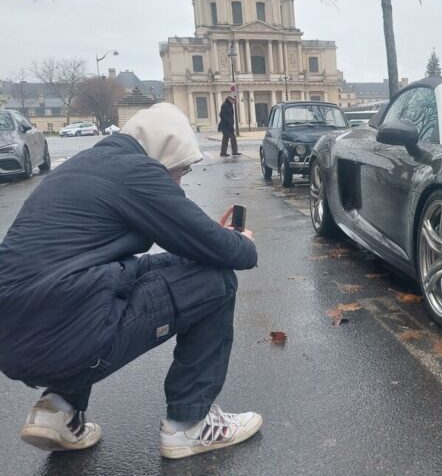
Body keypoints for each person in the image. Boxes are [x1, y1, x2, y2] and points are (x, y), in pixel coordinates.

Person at [0, 103, 262, 459]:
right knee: (216, 282)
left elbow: (150, 264)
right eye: (181, 170)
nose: (180, 180)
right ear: (165, 151)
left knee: (110, 282)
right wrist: (237, 242)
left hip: (15, 342)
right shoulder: (139, 172)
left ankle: (59, 407)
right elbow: (237, 255)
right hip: (69, 342)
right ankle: (189, 425)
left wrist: (207, 244)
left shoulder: (80, 167)